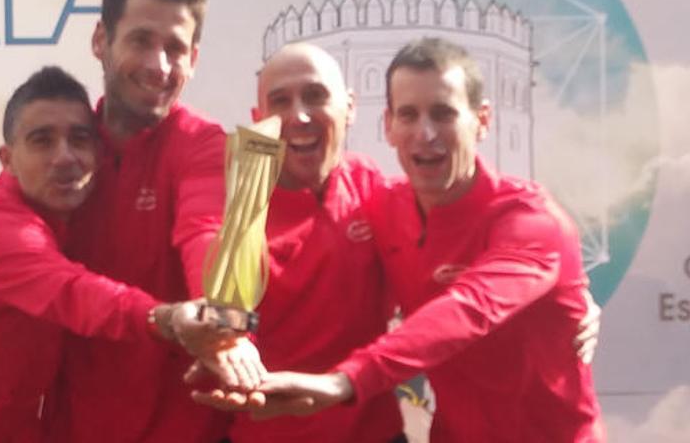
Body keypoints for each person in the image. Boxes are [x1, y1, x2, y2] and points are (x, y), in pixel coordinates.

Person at [0, 0, 250, 443]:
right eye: (141, 40)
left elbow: (204, 230)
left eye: (175, 48)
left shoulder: (197, 143)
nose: (158, 65)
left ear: (194, 59)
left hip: (177, 421)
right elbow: (56, 284)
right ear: (101, 41)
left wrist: (220, 313)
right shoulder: (66, 154)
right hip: (70, 425)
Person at [243, 37, 605, 441]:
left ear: (482, 121)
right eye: (409, 115)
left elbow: (470, 308)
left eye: (443, 114)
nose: (426, 133)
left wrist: (347, 381)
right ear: (388, 125)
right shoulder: (380, 206)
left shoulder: (533, 220)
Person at [208, 42, 406, 442]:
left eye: (315, 96)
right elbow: (222, 314)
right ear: (258, 119)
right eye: (280, 101)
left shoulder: (370, 184)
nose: (298, 116)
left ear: (349, 107)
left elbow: (451, 254)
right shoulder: (235, 207)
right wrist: (222, 344)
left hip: (375, 433)